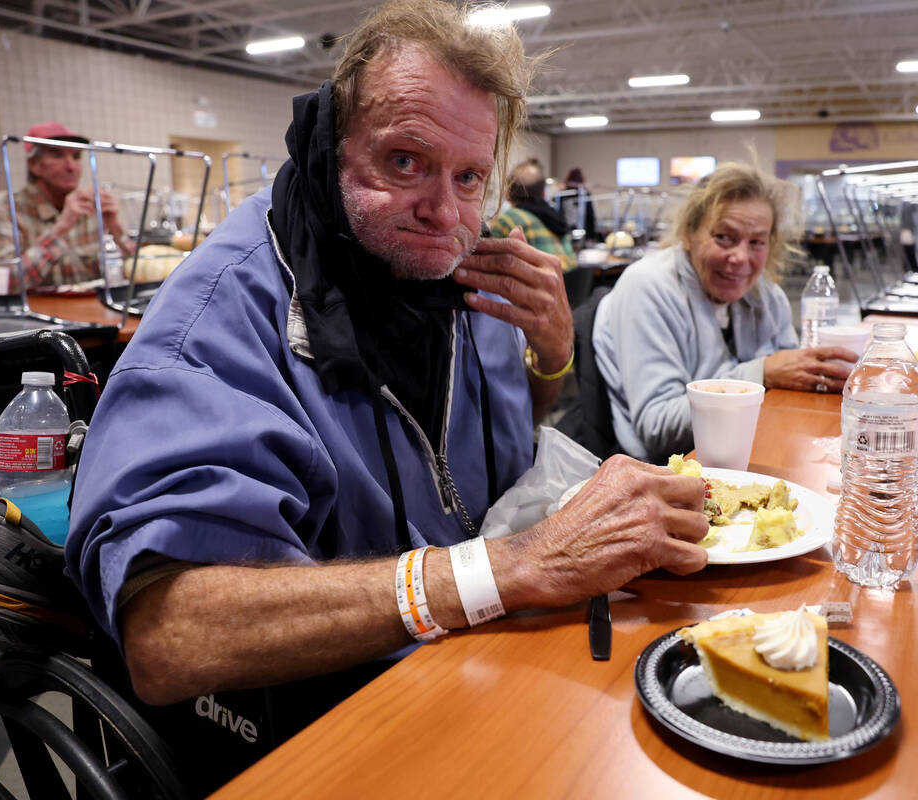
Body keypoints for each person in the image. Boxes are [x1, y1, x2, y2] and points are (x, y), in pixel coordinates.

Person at [66, 0, 707, 783]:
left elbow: (495, 458)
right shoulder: (217, 324)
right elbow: (170, 634)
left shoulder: (464, 281)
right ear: (329, 149)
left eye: (469, 176)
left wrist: (551, 361)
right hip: (324, 732)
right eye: (405, 161)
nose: (445, 212)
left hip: (477, 668)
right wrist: (499, 570)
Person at [591, 162, 859, 461]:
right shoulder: (648, 287)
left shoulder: (767, 296)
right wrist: (761, 374)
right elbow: (658, 430)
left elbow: (788, 391)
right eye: (723, 237)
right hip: (670, 471)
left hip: (749, 450)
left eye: (756, 242)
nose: (740, 258)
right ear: (689, 234)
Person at [0, 121, 133, 291]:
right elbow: (7, 283)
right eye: (57, 155)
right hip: (37, 314)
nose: (71, 166)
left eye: (76, 157)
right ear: (34, 165)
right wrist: (60, 230)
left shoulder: (94, 206)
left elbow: (135, 273)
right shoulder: (6, 207)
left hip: (93, 310)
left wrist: (116, 230)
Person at [487, 159, 577, 270]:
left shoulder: (507, 220)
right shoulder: (557, 220)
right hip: (567, 285)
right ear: (543, 194)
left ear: (508, 193)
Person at [560, 167, 599, 243]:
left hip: (566, 231)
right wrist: (591, 236)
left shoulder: (562, 194)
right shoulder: (584, 194)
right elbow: (591, 217)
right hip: (580, 231)